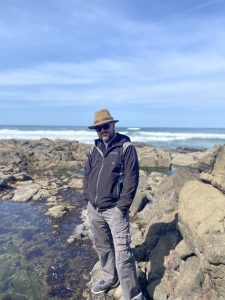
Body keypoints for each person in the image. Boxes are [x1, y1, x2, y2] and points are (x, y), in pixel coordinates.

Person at [83, 109, 145, 300]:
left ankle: (133, 296)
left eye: (105, 126)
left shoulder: (126, 147)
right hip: (94, 209)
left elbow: (131, 180)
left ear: (113, 125)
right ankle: (110, 279)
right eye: (98, 128)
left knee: (123, 254)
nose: (102, 130)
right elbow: (87, 173)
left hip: (114, 211)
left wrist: (122, 208)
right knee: (102, 247)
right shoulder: (95, 148)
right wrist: (87, 198)